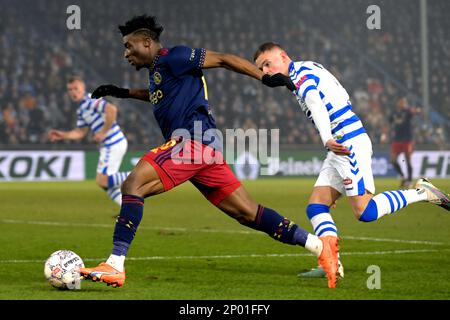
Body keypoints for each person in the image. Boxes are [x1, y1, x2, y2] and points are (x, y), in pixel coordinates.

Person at [79, 15, 340, 289]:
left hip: (192, 141)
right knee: (248, 213)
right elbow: (156, 94)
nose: (126, 54)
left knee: (133, 185)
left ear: (146, 42)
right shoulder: (160, 70)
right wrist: (123, 92)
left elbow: (225, 59)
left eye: (129, 46)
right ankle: (319, 247)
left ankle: (115, 264)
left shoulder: (175, 56)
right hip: (206, 149)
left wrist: (264, 77)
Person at [253, 42, 450, 278]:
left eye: (267, 63)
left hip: (346, 143)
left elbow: (315, 103)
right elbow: (341, 93)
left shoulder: (301, 75)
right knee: (316, 206)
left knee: (365, 211)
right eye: (261, 68)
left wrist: (327, 137)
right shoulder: (308, 68)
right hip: (339, 145)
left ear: (283, 56)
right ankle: (332, 264)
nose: (265, 71)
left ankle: (422, 192)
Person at [48, 76, 130, 206]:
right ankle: (127, 207)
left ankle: (139, 176)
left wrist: (103, 132)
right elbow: (80, 132)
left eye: (76, 88)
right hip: (109, 145)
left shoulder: (91, 100)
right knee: (105, 184)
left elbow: (112, 110)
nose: (73, 92)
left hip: (113, 143)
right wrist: (63, 135)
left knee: (102, 180)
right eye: (70, 90)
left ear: (83, 87)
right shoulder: (81, 109)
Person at [387, 96, 421, 188]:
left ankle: (409, 181)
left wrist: (417, 110)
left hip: (407, 139)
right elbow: (389, 122)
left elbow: (416, 112)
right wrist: (385, 133)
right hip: (397, 139)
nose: (402, 103)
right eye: (401, 102)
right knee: (393, 160)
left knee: (408, 160)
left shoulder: (408, 112)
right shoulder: (394, 113)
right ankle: (403, 177)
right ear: (398, 103)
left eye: (404, 102)